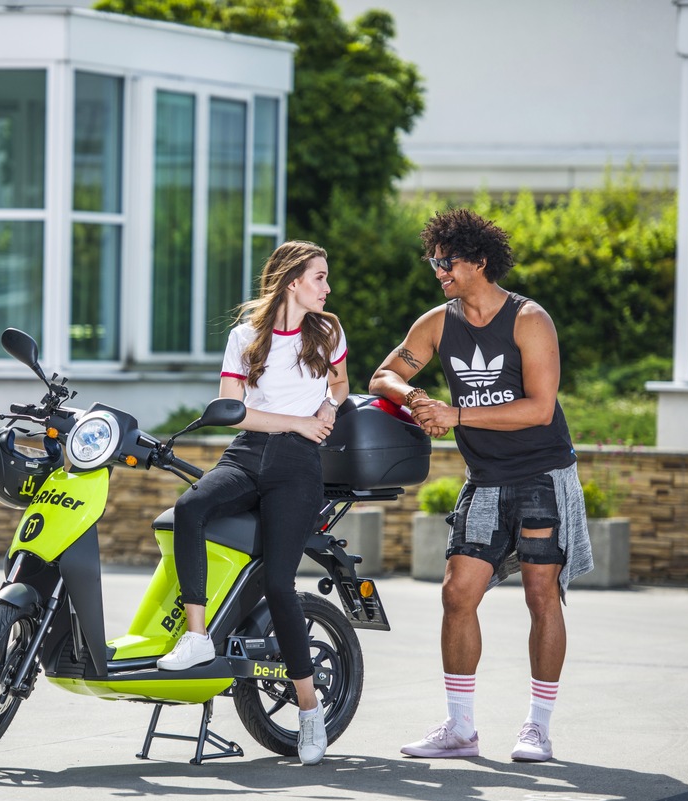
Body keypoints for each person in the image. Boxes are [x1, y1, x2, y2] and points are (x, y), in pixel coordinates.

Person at [369, 208, 592, 763]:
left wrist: (457, 414)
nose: (438, 271)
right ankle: (461, 730)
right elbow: (383, 375)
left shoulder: (529, 319)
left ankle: (537, 727)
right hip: (486, 481)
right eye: (433, 262)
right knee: (456, 594)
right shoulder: (437, 323)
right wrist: (414, 397)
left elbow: (540, 410)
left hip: (542, 476)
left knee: (542, 596)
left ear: (480, 261)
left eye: (447, 262)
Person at [156, 240, 349, 766]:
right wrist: (299, 421)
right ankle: (198, 640)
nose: (327, 287)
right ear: (292, 281)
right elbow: (235, 413)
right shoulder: (245, 336)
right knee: (190, 511)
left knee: (281, 583)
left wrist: (329, 410)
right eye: (319, 277)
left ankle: (310, 712)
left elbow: (341, 384)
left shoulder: (328, 330)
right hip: (246, 454)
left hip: (298, 468)